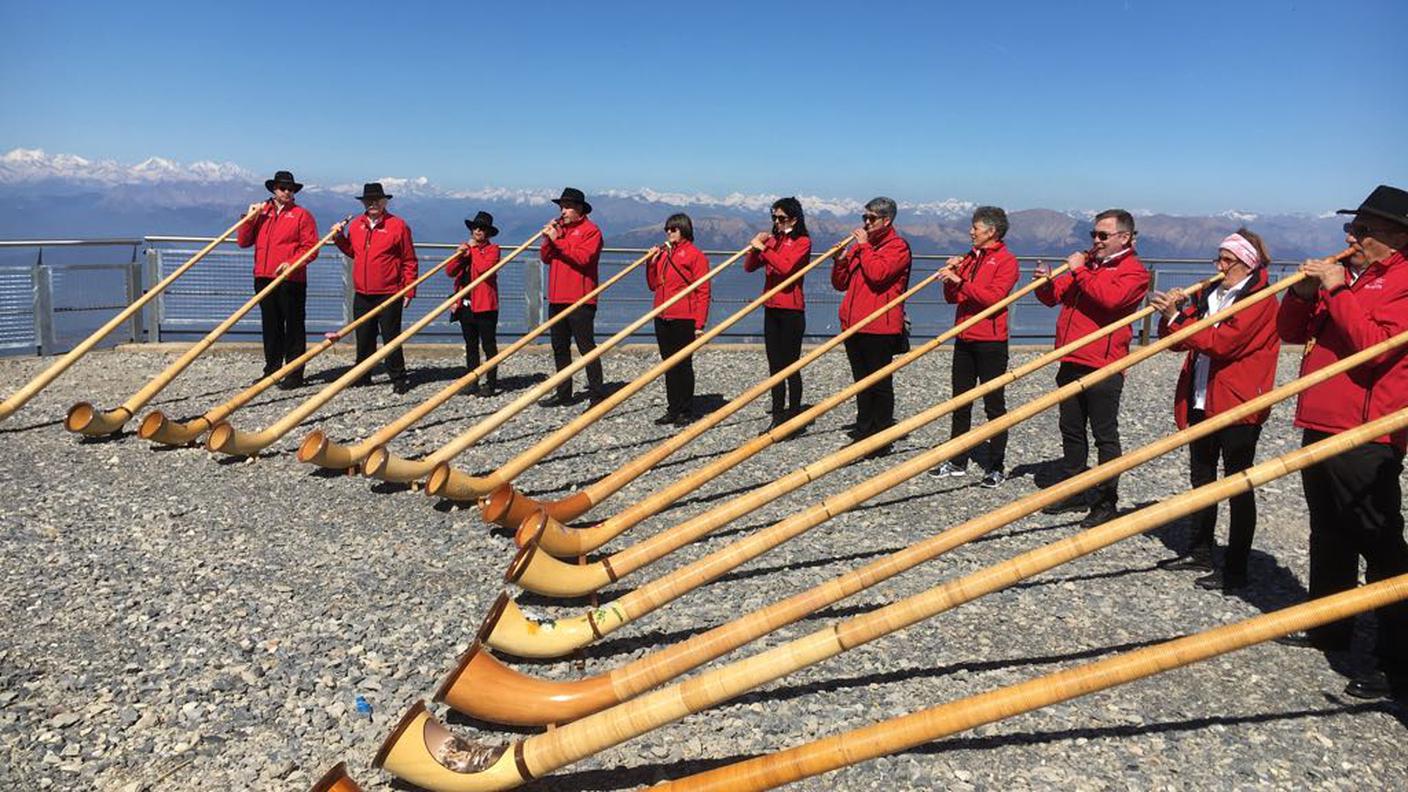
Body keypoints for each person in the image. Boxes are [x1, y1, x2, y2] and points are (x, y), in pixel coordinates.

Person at [1274, 184, 1408, 701]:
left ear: (1397, 236)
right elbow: (1290, 333)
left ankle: (1396, 660)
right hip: (1322, 420)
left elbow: (1375, 351)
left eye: (1365, 230)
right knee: (1328, 530)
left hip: (1368, 429)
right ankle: (1330, 624)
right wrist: (1304, 294)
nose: (1352, 238)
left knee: (1380, 543)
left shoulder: (1400, 280)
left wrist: (1339, 290)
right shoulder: (1358, 277)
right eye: (1351, 229)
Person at [1150, 229, 1280, 591]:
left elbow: (1223, 343)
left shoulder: (1261, 299)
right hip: (1201, 396)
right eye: (1218, 258)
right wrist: (1171, 315)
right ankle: (1200, 549)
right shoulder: (1211, 293)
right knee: (1202, 477)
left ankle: (1235, 567)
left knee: (1239, 483)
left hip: (1239, 401)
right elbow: (1176, 341)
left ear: (1246, 263)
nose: (1219, 266)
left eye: (1226, 260)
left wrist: (1180, 320)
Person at [1035, 209, 1151, 527]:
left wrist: (1080, 272)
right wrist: (1045, 283)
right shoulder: (1089, 264)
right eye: (1094, 234)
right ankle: (1075, 488)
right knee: (1071, 428)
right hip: (1071, 357)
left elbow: (1110, 300)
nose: (1095, 240)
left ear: (1123, 237)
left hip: (1104, 363)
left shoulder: (1134, 272)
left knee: (1104, 434)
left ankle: (1106, 500)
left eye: (1103, 235)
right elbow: (1055, 297)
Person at [930, 206, 1019, 487]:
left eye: (975, 228)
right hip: (965, 338)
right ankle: (957, 459)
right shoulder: (970, 258)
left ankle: (995, 465)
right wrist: (951, 277)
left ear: (991, 232)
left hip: (991, 342)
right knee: (960, 401)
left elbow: (993, 298)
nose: (971, 232)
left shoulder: (1006, 261)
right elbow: (953, 297)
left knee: (994, 404)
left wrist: (962, 281)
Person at [830, 197, 912, 457]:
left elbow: (878, 275)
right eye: (864, 218)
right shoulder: (859, 248)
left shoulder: (897, 247)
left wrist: (864, 247)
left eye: (871, 218)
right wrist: (840, 261)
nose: (866, 223)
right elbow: (840, 284)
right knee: (861, 382)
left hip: (880, 326)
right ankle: (864, 428)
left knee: (879, 382)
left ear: (886, 220)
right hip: (854, 324)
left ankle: (882, 434)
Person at [332, 182, 419, 395]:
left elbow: (409, 260)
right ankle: (363, 375)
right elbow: (353, 252)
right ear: (363, 202)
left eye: (377, 200)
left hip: (389, 292)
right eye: (368, 200)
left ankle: (398, 377)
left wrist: (409, 289)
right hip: (362, 291)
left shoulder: (398, 225)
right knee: (364, 336)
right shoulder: (356, 225)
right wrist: (338, 238)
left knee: (391, 337)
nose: (372, 204)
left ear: (384, 202)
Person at [238, 170, 318, 389]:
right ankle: (271, 370)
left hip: (291, 279)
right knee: (271, 326)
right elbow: (243, 242)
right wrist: (248, 219)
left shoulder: (302, 215)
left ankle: (294, 374)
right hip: (263, 277)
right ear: (274, 189)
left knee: (293, 326)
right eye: (283, 188)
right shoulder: (261, 213)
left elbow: (311, 248)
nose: (288, 192)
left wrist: (292, 263)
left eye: (291, 189)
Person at [745, 197, 812, 431]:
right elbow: (749, 267)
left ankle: (794, 417)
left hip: (792, 310)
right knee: (774, 365)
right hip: (771, 308)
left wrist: (765, 248)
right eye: (774, 217)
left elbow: (785, 267)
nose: (777, 222)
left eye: (781, 218)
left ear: (794, 219)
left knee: (790, 365)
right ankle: (777, 415)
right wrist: (755, 249)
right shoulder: (774, 240)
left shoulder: (803, 242)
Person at [539, 187, 605, 406]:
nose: (563, 211)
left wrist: (558, 241)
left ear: (579, 209)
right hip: (556, 297)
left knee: (586, 347)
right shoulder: (561, 230)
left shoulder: (591, 231)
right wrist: (548, 240)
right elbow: (546, 258)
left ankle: (597, 394)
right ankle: (564, 392)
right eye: (561, 207)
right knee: (560, 347)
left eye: (567, 207)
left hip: (580, 299)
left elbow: (583, 258)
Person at [646, 213, 710, 426]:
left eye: (673, 229)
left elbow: (703, 291)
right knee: (668, 364)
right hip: (663, 315)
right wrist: (651, 263)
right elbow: (653, 284)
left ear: (684, 229)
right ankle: (672, 408)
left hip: (684, 317)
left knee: (683, 364)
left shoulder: (695, 255)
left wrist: (699, 323)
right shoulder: (664, 254)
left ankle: (686, 409)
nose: (669, 232)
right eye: (667, 229)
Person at [449, 211, 502, 396]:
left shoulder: (493, 250)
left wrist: (472, 251)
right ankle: (472, 381)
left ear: (488, 233)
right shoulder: (466, 250)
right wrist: (459, 255)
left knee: (489, 345)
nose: (478, 231)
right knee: (471, 346)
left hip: (486, 306)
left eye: (482, 228)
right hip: (466, 305)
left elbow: (483, 269)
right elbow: (450, 270)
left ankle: (491, 383)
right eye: (475, 228)